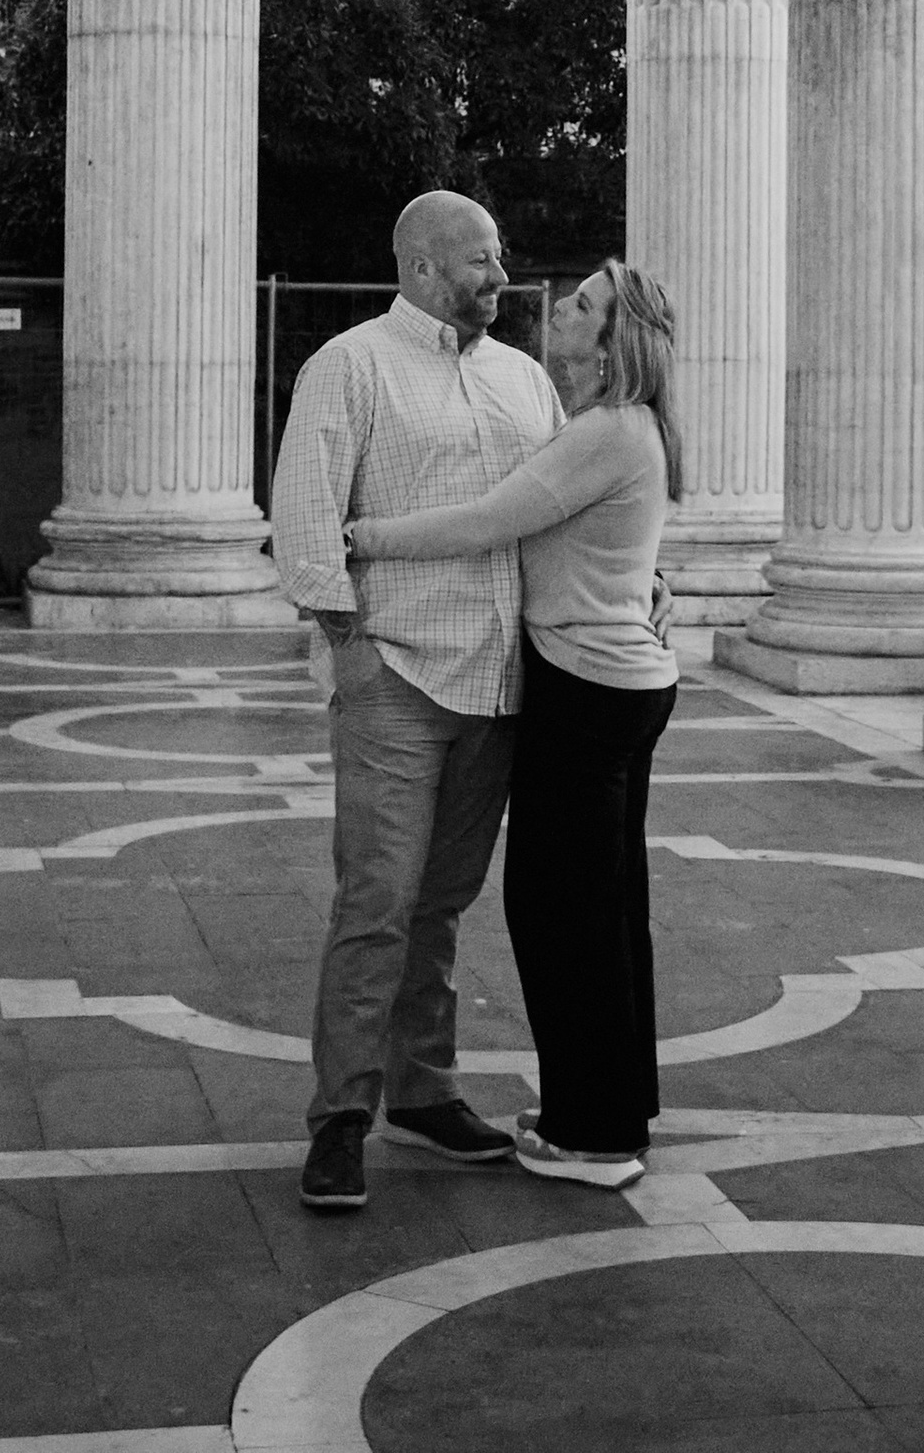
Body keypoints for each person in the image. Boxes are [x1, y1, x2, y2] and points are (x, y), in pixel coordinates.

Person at [348, 256, 681, 1193]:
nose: (560, 309)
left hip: (588, 693)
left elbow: (489, 520)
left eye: (583, 304)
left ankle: (596, 1136)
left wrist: (361, 535)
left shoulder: (607, 431)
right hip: (614, 685)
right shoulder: (609, 427)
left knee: (563, 913)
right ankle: (609, 1105)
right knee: (605, 912)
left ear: (611, 340)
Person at [270, 188, 561, 1215]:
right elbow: (305, 512)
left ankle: (424, 1091)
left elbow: (554, 514)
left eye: (498, 257)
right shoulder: (350, 365)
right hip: (396, 671)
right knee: (378, 902)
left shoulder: (526, 380)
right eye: (481, 259)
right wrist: (349, 646)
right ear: (424, 267)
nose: (500, 276)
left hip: (497, 681)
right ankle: (341, 1115)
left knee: (440, 902)